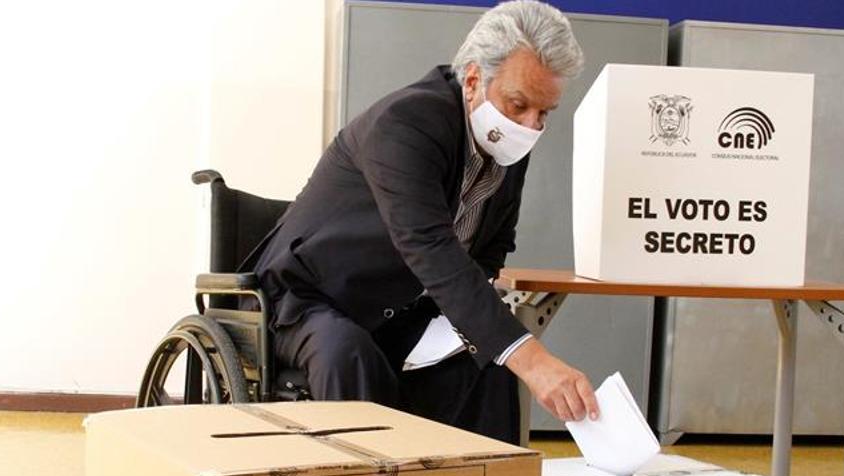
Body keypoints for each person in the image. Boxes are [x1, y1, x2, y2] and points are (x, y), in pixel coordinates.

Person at [251, 0, 599, 444]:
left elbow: (487, 254)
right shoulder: (407, 122)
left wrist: (486, 338)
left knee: (486, 362)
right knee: (349, 353)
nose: (530, 125)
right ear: (473, 79)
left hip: (401, 308)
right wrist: (531, 359)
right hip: (311, 298)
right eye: (519, 105)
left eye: (544, 113)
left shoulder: (507, 148)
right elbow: (431, 247)